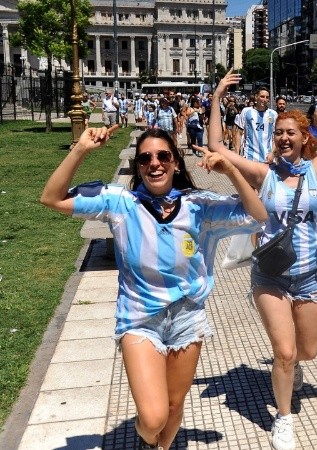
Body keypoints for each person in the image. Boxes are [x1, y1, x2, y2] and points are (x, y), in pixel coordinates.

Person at [40, 127, 268, 450]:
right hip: (139, 318)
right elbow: (51, 197)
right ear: (138, 167)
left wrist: (230, 169)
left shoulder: (197, 205)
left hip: (187, 318)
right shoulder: (120, 203)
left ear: (176, 163)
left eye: (163, 156)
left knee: (174, 408)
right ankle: (147, 441)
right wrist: (80, 150)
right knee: (153, 417)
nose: (155, 163)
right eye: (145, 158)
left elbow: (258, 217)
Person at [198, 57, 317, 450]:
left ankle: (293, 371)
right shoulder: (263, 173)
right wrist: (218, 97)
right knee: (284, 352)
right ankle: (284, 418)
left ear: (305, 138)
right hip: (269, 274)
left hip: (311, 275)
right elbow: (217, 146)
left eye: (290, 133)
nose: (283, 138)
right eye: (278, 133)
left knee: (307, 350)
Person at [234, 86, 278, 162]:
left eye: (267, 97)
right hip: (249, 155)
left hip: (267, 156)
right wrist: (236, 153)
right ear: (256, 97)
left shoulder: (273, 114)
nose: (264, 100)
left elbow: (276, 136)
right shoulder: (246, 111)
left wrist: (272, 153)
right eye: (262, 97)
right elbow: (239, 133)